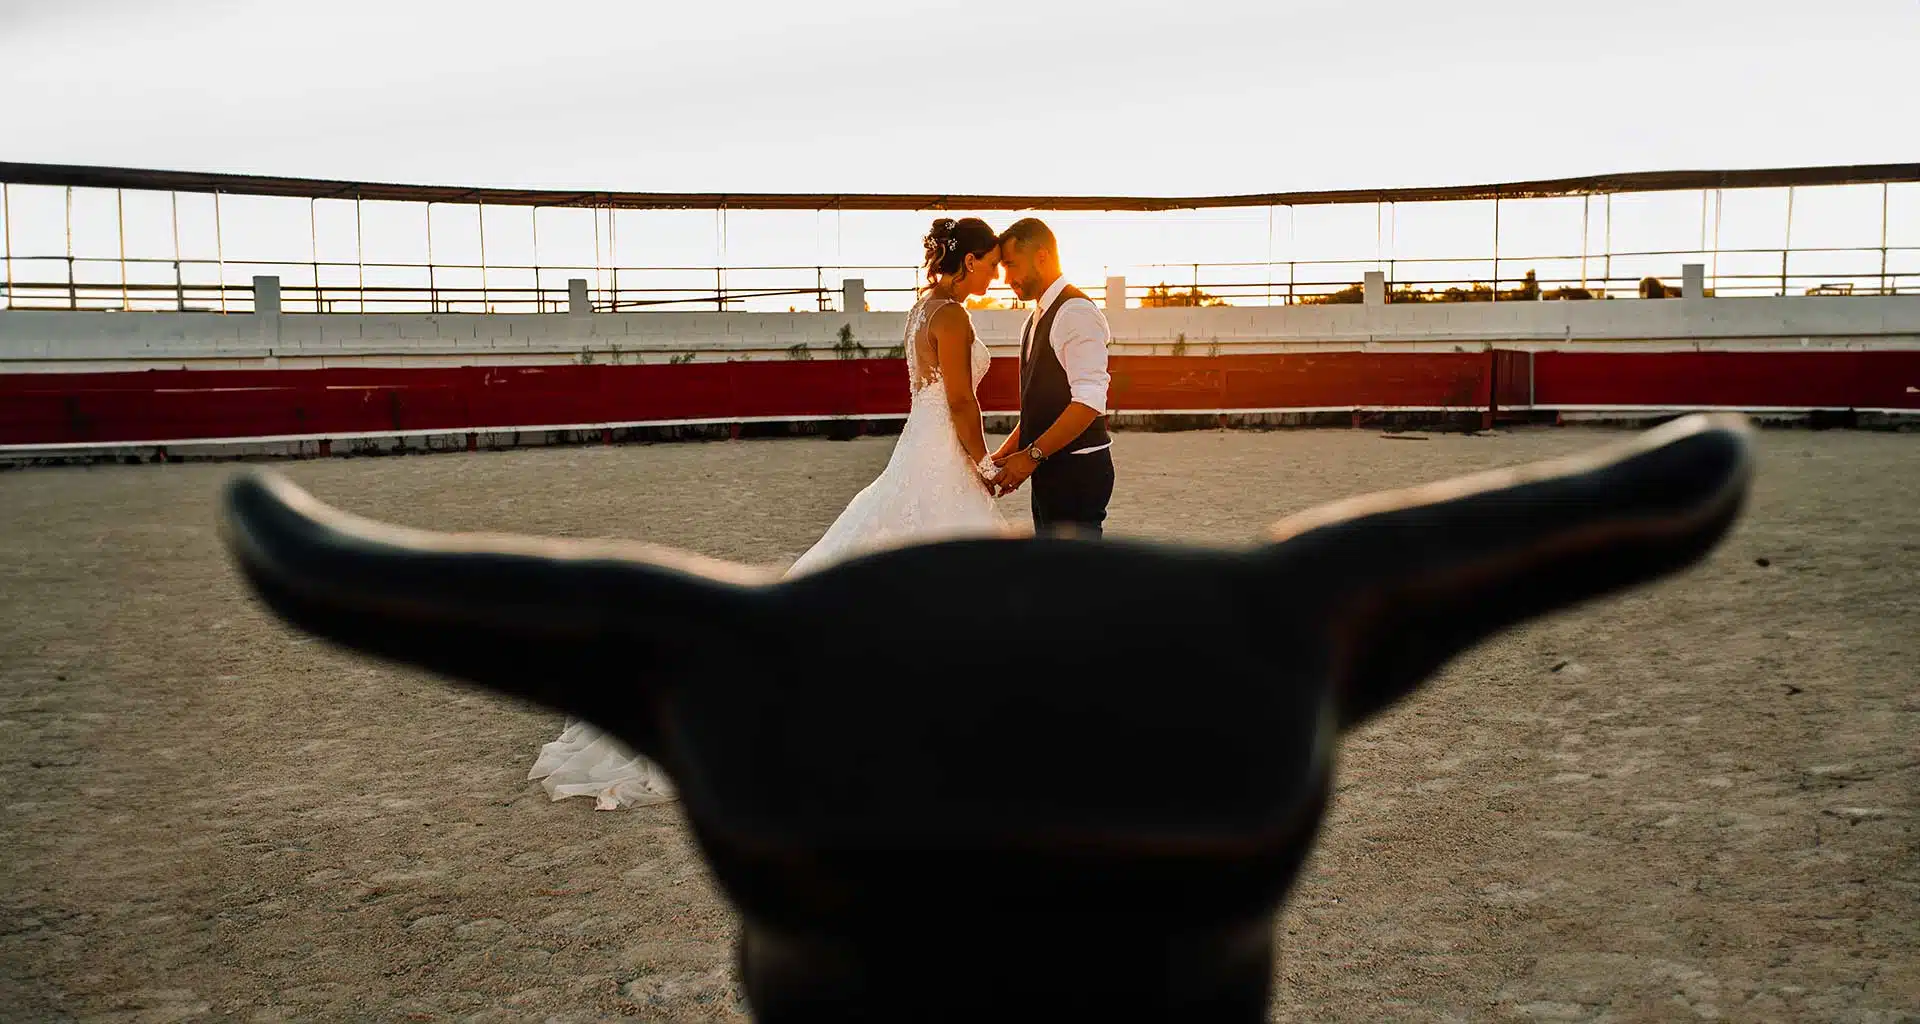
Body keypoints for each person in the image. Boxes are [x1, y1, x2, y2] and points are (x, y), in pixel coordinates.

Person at [529, 217, 1014, 809]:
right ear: (970, 261)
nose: (996, 271)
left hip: (918, 448)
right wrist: (984, 463)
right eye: (991, 261)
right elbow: (962, 400)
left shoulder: (921, 309)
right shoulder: (955, 316)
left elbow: (930, 393)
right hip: (941, 454)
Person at [988, 218, 1115, 537]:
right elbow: (1041, 405)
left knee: (1076, 581)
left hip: (1078, 472)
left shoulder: (1075, 312)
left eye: (1011, 265)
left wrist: (1030, 456)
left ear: (1042, 256)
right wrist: (1005, 454)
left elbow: (1089, 403)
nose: (1006, 279)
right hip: (1049, 468)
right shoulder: (1035, 318)